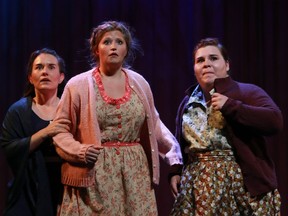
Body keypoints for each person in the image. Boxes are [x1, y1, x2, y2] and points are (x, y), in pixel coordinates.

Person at [52, 20, 183, 216]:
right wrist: (80, 151)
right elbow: (59, 129)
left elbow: (154, 125)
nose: (113, 46)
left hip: (135, 175)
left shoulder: (140, 83)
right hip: (95, 175)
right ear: (96, 49)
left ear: (126, 50)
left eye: (119, 42)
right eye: (107, 42)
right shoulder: (77, 85)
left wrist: (175, 161)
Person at [169, 38, 283, 215]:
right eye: (200, 60)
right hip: (196, 187)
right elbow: (179, 142)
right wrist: (176, 171)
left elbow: (274, 121)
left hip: (239, 187)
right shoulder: (188, 102)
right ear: (194, 68)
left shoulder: (246, 92)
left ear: (227, 65)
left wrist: (231, 106)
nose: (206, 64)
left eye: (213, 58)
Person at [0, 48, 70, 216]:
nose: (45, 72)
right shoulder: (18, 111)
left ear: (61, 77)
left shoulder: (70, 109)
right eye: (39, 67)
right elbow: (10, 148)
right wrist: (46, 132)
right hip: (29, 189)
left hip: (66, 187)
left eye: (51, 67)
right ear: (30, 78)